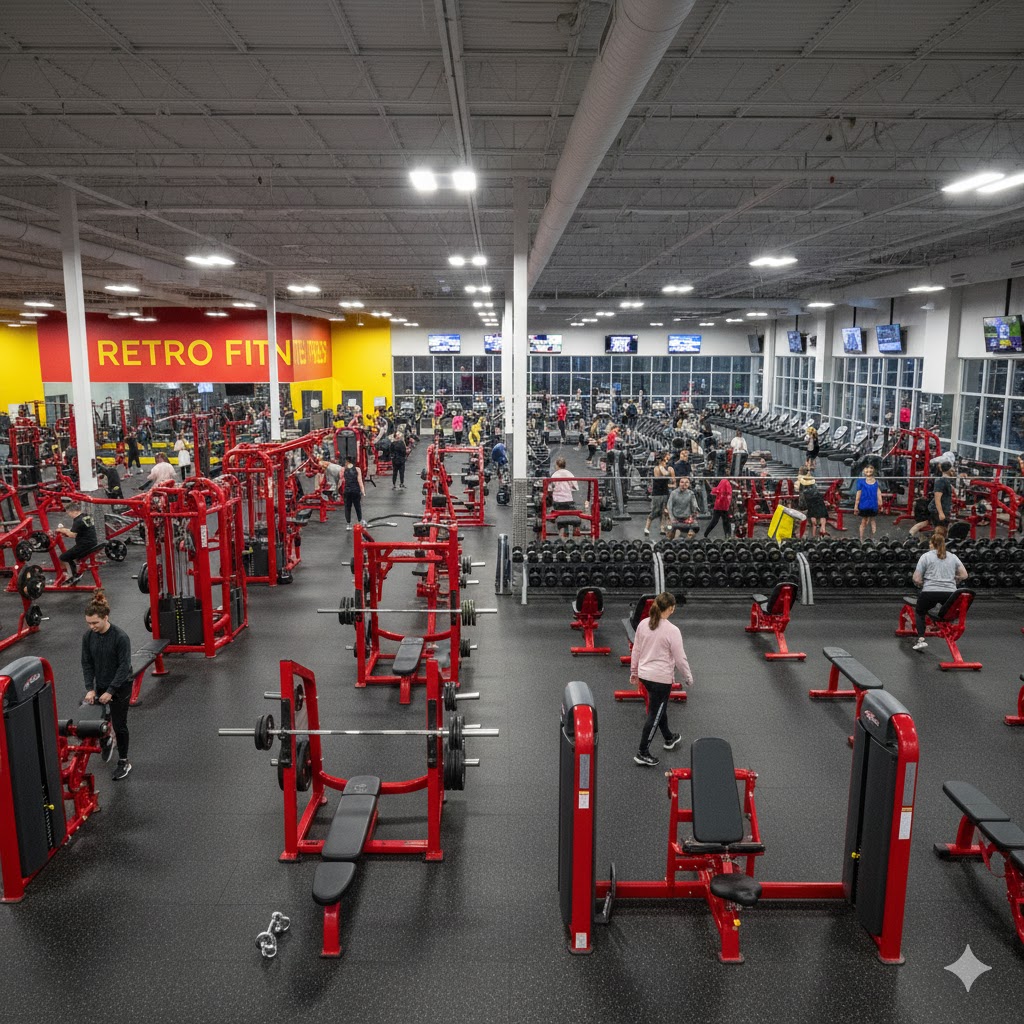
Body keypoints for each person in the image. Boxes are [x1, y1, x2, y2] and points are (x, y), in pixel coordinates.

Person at [629, 592, 693, 767]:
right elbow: (680, 658)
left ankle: (669, 738)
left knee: (659, 707)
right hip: (660, 680)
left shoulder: (643, 624)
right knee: (655, 715)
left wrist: (634, 671)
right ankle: (642, 752)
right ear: (671, 608)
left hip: (645, 676)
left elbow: (636, 650)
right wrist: (688, 676)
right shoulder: (672, 630)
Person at [81, 589, 133, 780]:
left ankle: (124, 761)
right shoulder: (88, 637)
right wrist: (90, 688)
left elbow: (124, 667)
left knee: (120, 724)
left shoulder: (120, 637)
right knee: (99, 720)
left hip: (121, 685)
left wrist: (111, 691)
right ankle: (107, 739)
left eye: (95, 622)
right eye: (88, 623)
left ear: (105, 618)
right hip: (101, 683)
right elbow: (87, 662)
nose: (92, 626)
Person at [909, 531, 968, 651]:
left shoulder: (925, 556)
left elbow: (916, 578)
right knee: (945, 610)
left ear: (931, 544)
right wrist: (954, 579)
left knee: (920, 612)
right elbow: (964, 575)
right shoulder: (953, 556)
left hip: (930, 592)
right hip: (950, 594)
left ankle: (921, 639)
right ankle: (937, 624)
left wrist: (921, 583)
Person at [57, 500, 98, 584]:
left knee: (64, 557)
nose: (69, 515)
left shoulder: (77, 521)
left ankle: (73, 576)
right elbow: (81, 530)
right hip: (93, 542)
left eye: (69, 513)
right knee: (73, 555)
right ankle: (74, 570)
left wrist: (62, 530)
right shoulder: (86, 516)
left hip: (84, 545)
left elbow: (72, 535)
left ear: (74, 511)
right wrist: (65, 531)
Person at [548, 456, 579, 540]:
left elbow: (550, 489)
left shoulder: (554, 475)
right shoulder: (569, 474)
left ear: (557, 465)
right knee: (570, 512)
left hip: (558, 502)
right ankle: (573, 530)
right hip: (568, 501)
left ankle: (562, 533)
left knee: (559, 513)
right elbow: (575, 488)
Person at [645, 452, 673, 536]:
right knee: (654, 512)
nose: (668, 458)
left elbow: (670, 480)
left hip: (665, 491)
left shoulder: (665, 467)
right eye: (667, 456)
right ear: (663, 458)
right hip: (657, 493)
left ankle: (662, 528)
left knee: (663, 512)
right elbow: (665, 474)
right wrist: (671, 470)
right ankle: (646, 528)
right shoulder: (658, 467)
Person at [796, 466, 829, 538]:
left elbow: (799, 490)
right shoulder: (811, 479)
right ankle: (823, 529)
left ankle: (814, 534)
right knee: (822, 511)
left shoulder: (800, 480)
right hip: (815, 498)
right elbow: (815, 489)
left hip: (807, 499)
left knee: (813, 512)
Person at [853, 464, 881, 539]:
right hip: (864, 505)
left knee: (872, 521)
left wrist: (880, 503)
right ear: (863, 470)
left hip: (873, 505)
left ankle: (873, 539)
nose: (869, 470)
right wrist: (856, 506)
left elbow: (878, 493)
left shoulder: (876, 482)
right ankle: (861, 539)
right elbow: (858, 495)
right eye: (867, 468)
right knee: (864, 521)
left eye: (871, 468)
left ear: (874, 470)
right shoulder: (861, 482)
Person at [930, 462, 956, 531]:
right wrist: (940, 513)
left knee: (944, 530)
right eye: (952, 468)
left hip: (945, 509)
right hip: (938, 511)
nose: (954, 470)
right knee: (940, 531)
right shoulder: (941, 481)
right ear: (949, 470)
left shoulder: (947, 481)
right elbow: (937, 498)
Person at [342, 455, 366, 526]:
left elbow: (341, 481)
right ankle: (360, 521)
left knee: (347, 507)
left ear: (347, 462)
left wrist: (337, 491)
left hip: (347, 491)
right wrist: (363, 491)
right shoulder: (357, 469)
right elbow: (360, 481)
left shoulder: (343, 469)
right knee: (357, 506)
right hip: (355, 491)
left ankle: (348, 524)